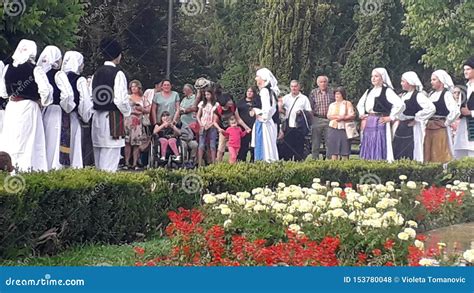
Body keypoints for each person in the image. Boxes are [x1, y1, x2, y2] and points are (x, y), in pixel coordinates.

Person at [0, 39, 51, 172]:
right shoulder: (35, 69)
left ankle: (9, 170)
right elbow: (46, 90)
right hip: (29, 107)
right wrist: (43, 102)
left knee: (11, 139)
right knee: (30, 142)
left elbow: (3, 92)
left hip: (12, 108)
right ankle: (28, 170)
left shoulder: (7, 68)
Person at [87, 38, 131, 172]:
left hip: (97, 118)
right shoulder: (118, 73)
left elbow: (90, 96)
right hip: (113, 119)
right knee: (111, 158)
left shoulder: (96, 73)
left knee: (99, 157)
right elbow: (121, 100)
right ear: (117, 55)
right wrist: (127, 113)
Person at [39, 46, 80, 170]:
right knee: (56, 141)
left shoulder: (40, 73)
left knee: (46, 139)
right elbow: (67, 95)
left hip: (44, 112)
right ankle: (56, 167)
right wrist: (68, 108)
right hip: (57, 111)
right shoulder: (59, 74)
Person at [357, 68, 405, 162]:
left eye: (376, 76)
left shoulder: (387, 91)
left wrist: (391, 117)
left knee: (380, 142)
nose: (373, 78)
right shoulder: (369, 91)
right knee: (368, 142)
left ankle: (380, 161)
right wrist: (362, 114)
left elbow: (400, 104)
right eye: (372, 76)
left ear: (382, 78)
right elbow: (360, 104)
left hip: (380, 120)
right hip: (370, 120)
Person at [392, 72, 435, 162]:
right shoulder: (403, 95)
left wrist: (417, 118)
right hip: (401, 126)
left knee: (411, 149)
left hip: (411, 127)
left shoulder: (418, 95)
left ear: (410, 82)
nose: (401, 83)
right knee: (398, 148)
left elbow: (431, 108)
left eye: (403, 81)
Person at [60, 51, 92, 168]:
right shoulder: (80, 80)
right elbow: (85, 102)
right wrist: (85, 116)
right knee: (73, 147)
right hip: (72, 117)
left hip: (56, 116)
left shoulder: (57, 76)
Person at [424, 70, 459, 163]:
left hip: (440, 127)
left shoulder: (446, 94)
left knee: (440, 150)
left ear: (441, 81)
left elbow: (455, 111)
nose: (431, 82)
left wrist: (446, 122)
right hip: (429, 127)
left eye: (434, 79)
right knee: (428, 151)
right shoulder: (431, 94)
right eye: (431, 80)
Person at [279, 80, 312, 161]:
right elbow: (279, 108)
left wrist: (301, 113)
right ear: (290, 87)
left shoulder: (304, 98)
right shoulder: (286, 97)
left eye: (295, 86)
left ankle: (298, 164)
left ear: (298, 87)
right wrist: (284, 111)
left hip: (299, 127)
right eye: (292, 86)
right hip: (289, 126)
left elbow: (309, 112)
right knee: (287, 149)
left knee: (299, 148)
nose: (293, 88)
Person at [251, 68, 280, 162]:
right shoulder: (270, 91)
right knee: (269, 145)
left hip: (264, 123)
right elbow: (274, 109)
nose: (256, 79)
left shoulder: (264, 91)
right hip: (268, 122)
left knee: (265, 146)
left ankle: (264, 163)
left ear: (263, 78)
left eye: (257, 77)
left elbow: (267, 110)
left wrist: (258, 113)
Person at [123, 80, 150, 170]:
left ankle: (135, 163)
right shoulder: (127, 97)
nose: (133, 88)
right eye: (132, 86)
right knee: (127, 142)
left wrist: (141, 109)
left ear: (139, 87)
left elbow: (148, 110)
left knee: (136, 143)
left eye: (135, 86)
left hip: (138, 121)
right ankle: (126, 162)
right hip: (128, 121)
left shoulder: (143, 98)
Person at [326, 87, 356, 160]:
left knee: (344, 150)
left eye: (338, 94)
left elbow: (352, 115)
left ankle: (344, 165)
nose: (337, 96)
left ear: (342, 94)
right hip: (333, 128)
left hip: (343, 129)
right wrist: (337, 117)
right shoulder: (332, 105)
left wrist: (343, 118)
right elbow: (328, 115)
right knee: (333, 150)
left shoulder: (347, 103)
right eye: (336, 94)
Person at [310, 76, 335, 159]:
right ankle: (314, 160)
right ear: (318, 83)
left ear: (327, 83)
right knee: (315, 142)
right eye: (321, 82)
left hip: (329, 119)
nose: (323, 84)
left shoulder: (332, 92)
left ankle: (329, 160)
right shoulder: (313, 93)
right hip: (317, 119)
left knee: (330, 141)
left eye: (324, 82)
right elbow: (310, 107)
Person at [454, 57, 474, 158]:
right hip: (463, 125)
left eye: (468, 69)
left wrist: (471, 113)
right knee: (460, 154)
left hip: (472, 125)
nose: (465, 72)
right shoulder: (464, 88)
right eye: (464, 69)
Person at [196, 88, 219, 166]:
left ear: (212, 95)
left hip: (212, 125)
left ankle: (213, 163)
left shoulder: (216, 104)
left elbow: (217, 117)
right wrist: (201, 124)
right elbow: (198, 116)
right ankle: (199, 163)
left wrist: (211, 124)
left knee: (212, 145)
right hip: (203, 125)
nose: (207, 96)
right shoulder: (202, 104)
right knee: (201, 144)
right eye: (205, 95)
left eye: (208, 94)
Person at [235, 87, 256, 162]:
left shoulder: (257, 103)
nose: (249, 93)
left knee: (254, 146)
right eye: (248, 91)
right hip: (243, 128)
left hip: (255, 128)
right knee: (243, 146)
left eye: (251, 91)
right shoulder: (241, 103)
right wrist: (245, 127)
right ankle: (241, 161)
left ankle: (253, 161)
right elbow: (237, 117)